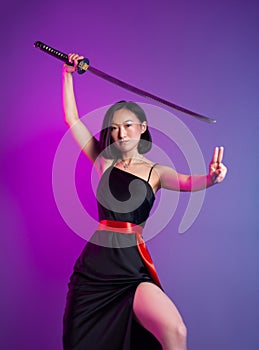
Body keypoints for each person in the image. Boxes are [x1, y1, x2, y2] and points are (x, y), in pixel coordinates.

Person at [62, 53, 227, 350]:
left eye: (128, 125)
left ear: (142, 127)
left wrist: (211, 178)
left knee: (175, 329)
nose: (121, 133)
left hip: (131, 269)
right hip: (95, 269)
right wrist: (68, 75)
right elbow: (72, 119)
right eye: (114, 127)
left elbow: (190, 182)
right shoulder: (103, 162)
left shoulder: (156, 171)